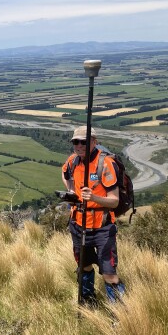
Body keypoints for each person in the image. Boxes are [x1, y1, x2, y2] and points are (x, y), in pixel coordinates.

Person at [61, 126, 125, 305]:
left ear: (94, 142)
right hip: (78, 224)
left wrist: (94, 197)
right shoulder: (73, 161)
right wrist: (71, 190)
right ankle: (88, 301)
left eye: (84, 141)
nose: (79, 145)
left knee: (109, 273)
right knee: (84, 265)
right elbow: (65, 173)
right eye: (76, 142)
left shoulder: (105, 164)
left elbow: (114, 201)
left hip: (102, 227)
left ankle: (118, 313)